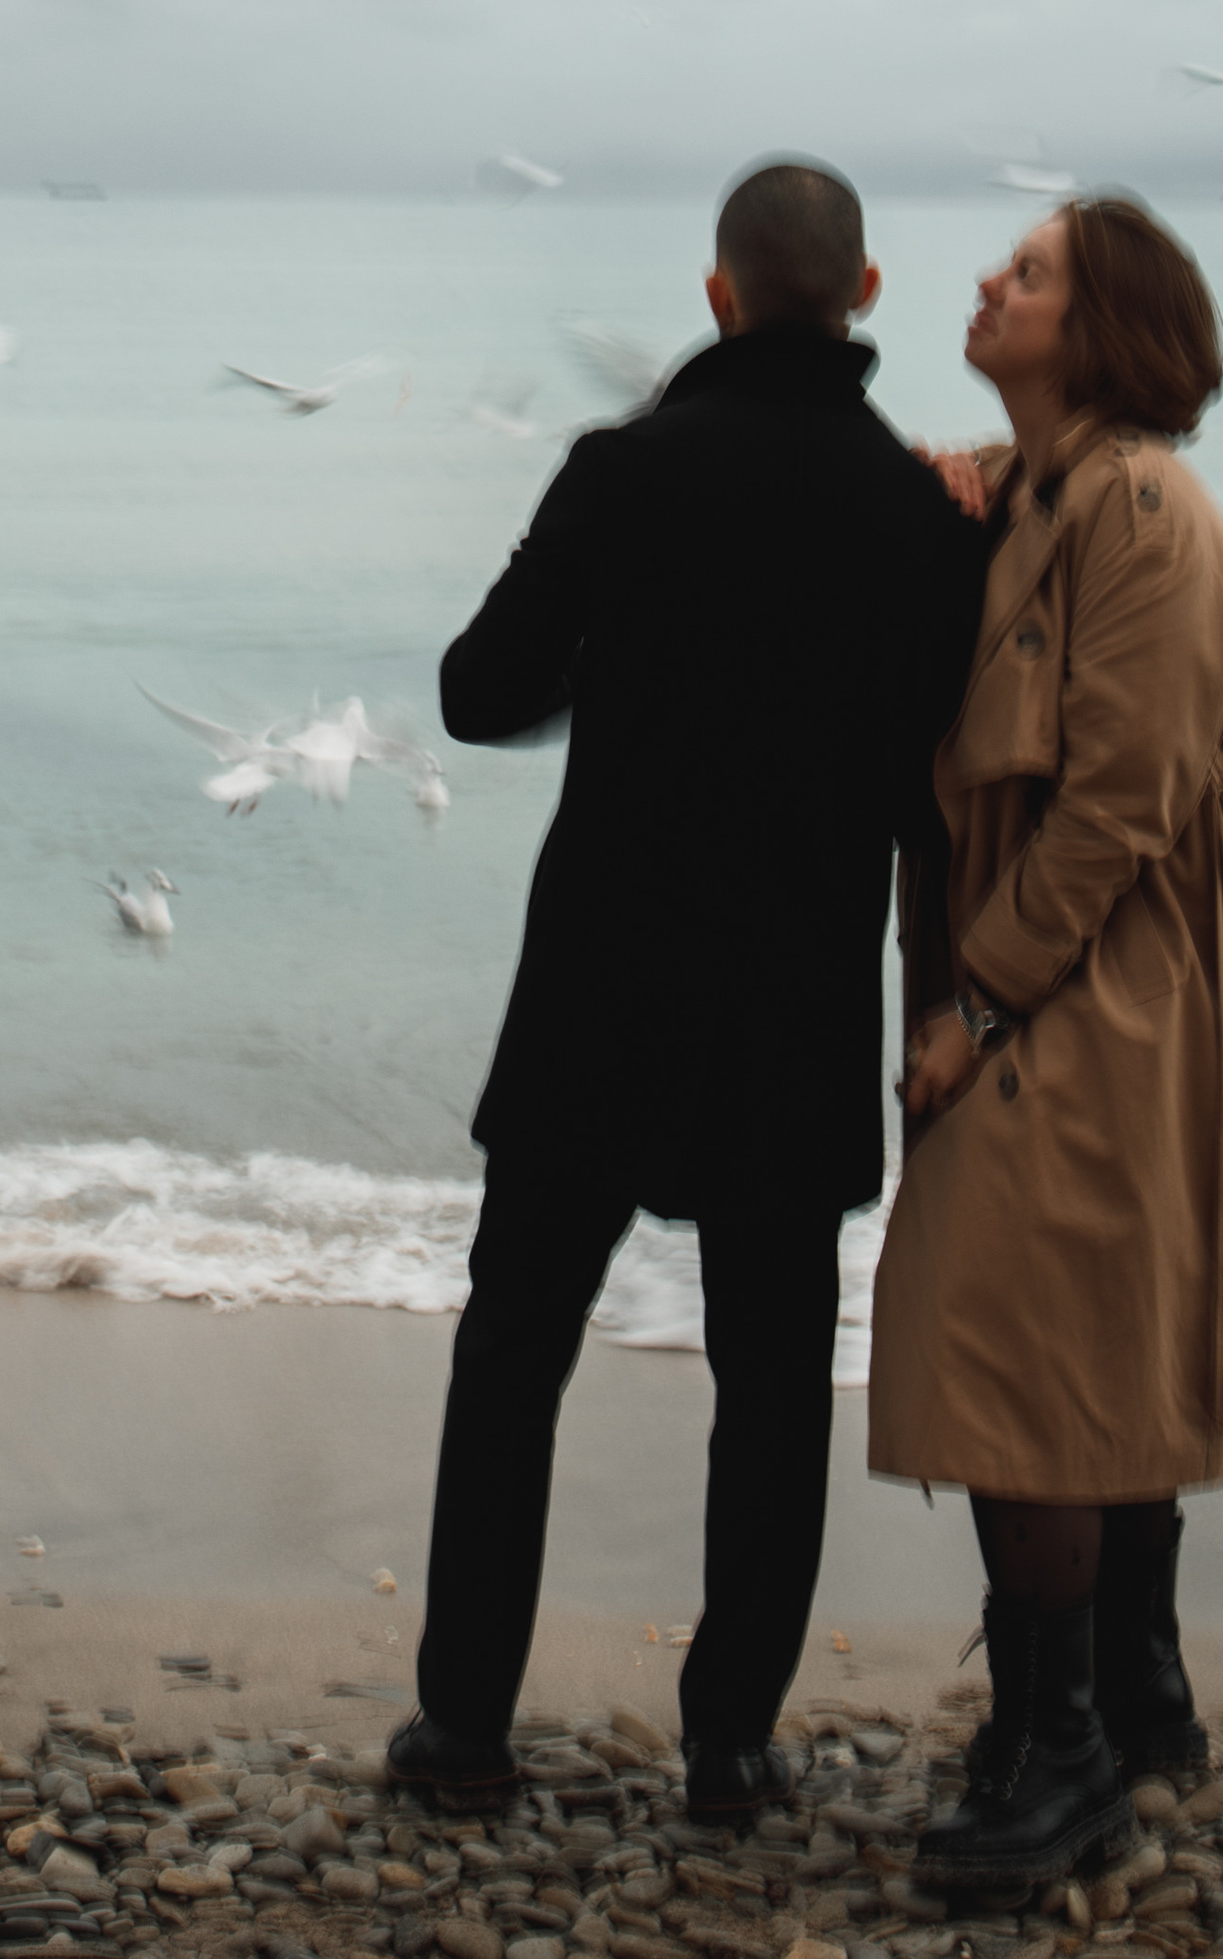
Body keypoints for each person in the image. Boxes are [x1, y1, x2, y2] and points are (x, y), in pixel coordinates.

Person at [387, 159, 987, 1824]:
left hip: (603, 976)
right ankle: (731, 1742)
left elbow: (472, 692)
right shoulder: (921, 521)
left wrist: (620, 670)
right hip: (796, 995)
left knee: (515, 1352)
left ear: (719, 294)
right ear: (865, 293)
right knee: (773, 1380)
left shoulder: (623, 471)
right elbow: (944, 768)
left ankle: (464, 1728)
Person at [870, 197, 1223, 1892]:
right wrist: (967, 470)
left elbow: (1121, 807)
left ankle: (1064, 1752)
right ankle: (1121, 1699)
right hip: (1101, 963)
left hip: (1137, 972)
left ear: (1099, 332)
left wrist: (975, 1007)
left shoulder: (1149, 511)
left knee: (1022, 1338)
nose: (988, 283)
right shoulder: (1054, 489)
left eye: (1026, 274)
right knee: (1101, 1322)